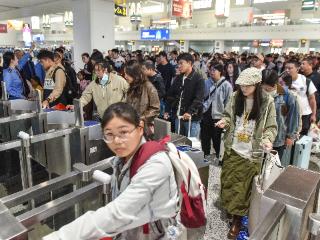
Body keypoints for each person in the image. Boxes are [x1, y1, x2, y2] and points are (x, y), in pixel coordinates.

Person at [43, 102, 178, 240]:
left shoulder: (156, 165)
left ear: (140, 128)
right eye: (109, 134)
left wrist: (60, 237)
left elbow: (116, 214)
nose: (117, 141)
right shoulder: (121, 160)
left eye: (124, 132)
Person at [216, 67, 277, 239]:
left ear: (257, 85)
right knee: (228, 181)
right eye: (241, 85)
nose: (243, 89)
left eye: (248, 86)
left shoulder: (267, 101)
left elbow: (271, 126)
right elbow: (228, 116)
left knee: (243, 190)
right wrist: (224, 121)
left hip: (251, 153)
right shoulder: (236, 97)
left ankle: (237, 220)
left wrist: (267, 139)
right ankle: (230, 209)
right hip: (233, 147)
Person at [261, 69, 300, 159]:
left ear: (275, 84)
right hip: (259, 137)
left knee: (272, 167)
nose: (265, 91)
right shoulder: (257, 93)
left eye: (268, 89)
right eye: (262, 88)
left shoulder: (288, 96)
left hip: (278, 139)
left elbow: (293, 117)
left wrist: (290, 136)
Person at [166, 53, 205, 137]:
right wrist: (168, 109)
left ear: (189, 63)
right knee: (179, 143)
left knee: (191, 146)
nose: (179, 66)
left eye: (181, 63)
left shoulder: (198, 79)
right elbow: (170, 94)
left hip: (192, 119)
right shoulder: (178, 78)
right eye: (178, 64)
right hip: (178, 117)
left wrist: (189, 112)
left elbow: (199, 99)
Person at [201, 62, 232, 163]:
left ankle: (220, 158)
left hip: (218, 117)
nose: (211, 72)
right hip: (206, 114)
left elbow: (229, 103)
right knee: (205, 138)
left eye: (214, 70)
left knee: (217, 140)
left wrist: (226, 118)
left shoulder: (227, 85)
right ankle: (204, 156)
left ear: (221, 72)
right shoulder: (208, 83)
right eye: (210, 70)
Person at [124, 60, 160, 136]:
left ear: (135, 74)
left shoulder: (148, 87)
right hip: (132, 126)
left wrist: (140, 118)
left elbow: (155, 109)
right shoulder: (132, 87)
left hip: (144, 128)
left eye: (127, 74)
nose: (125, 76)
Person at [285, 60, 317, 135]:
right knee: (288, 136)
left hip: (304, 114)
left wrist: (313, 115)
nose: (287, 70)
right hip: (288, 114)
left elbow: (312, 99)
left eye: (290, 68)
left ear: (297, 69)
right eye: (286, 68)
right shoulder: (283, 81)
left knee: (301, 138)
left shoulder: (306, 81)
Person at [300, 57, 320, 121]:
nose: (301, 66)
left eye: (303, 64)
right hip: (302, 108)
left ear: (310, 65)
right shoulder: (300, 77)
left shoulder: (317, 77)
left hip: (315, 108)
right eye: (301, 64)